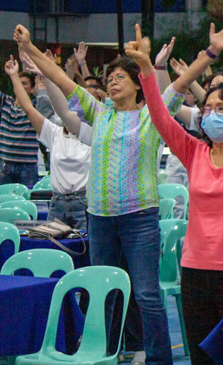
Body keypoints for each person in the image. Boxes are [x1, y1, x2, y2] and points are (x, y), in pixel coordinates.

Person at [14, 22, 204, 365]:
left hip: (140, 220)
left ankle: (159, 359)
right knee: (103, 289)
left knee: (147, 294)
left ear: (137, 85)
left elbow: (179, 84)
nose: (112, 82)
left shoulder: (153, 116)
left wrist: (211, 53)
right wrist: (28, 47)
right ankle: (103, 353)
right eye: (109, 78)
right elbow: (59, 78)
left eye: (120, 77)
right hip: (99, 218)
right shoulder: (97, 112)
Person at [127, 22, 223, 364]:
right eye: (207, 109)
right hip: (195, 269)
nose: (211, 114)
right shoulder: (195, 153)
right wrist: (147, 71)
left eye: (222, 109)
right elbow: (161, 120)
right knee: (202, 356)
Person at [6, 55, 91, 230]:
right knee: (54, 246)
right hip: (57, 203)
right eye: (67, 110)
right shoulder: (54, 133)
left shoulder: (92, 136)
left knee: (86, 249)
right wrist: (14, 75)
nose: (72, 113)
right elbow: (29, 109)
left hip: (84, 202)